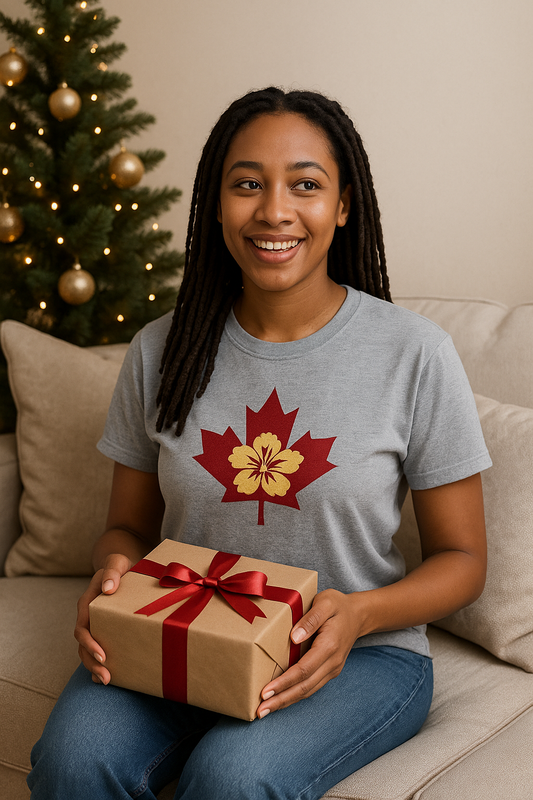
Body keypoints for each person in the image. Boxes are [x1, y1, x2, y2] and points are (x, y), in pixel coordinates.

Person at [28, 87, 491, 800]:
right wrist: (115, 576)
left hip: (359, 654)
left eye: (305, 185)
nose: (274, 211)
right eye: (247, 185)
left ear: (342, 206)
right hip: (182, 629)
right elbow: (125, 526)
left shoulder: (414, 354)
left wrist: (361, 611)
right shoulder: (161, 349)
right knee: (73, 761)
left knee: (233, 778)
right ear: (215, 206)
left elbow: (462, 562)